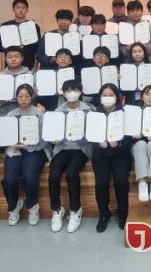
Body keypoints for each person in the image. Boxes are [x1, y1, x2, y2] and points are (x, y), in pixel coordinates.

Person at [50, 79, 95, 233]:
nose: (72, 93)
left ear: (80, 92)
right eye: (68, 90)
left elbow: (93, 133)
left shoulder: (88, 110)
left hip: (81, 149)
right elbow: (52, 133)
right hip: (62, 148)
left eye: (75, 90)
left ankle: (75, 210)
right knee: (54, 175)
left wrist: (82, 137)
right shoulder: (58, 111)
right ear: (63, 93)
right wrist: (54, 138)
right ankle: (57, 209)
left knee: (71, 173)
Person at [1, 84, 49, 227]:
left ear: (32, 96)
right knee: (9, 179)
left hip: (35, 150)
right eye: (20, 96)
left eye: (26, 96)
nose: (23, 99)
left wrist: (31, 144)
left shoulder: (39, 113)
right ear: (15, 97)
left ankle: (32, 207)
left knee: (29, 176)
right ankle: (13, 206)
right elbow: (5, 137)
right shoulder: (11, 114)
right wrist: (0, 135)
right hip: (15, 150)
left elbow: (45, 136)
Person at [91, 84, 132, 232]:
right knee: (101, 184)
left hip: (120, 154)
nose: (107, 98)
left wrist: (119, 143)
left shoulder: (124, 113)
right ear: (100, 97)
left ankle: (123, 213)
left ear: (117, 97)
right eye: (105, 95)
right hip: (101, 154)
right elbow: (91, 136)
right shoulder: (95, 114)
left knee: (121, 182)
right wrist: (98, 143)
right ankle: (104, 214)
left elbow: (129, 137)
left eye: (111, 95)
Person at [0, 0, 42, 72]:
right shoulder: (5, 26)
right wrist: (13, 46)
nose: (21, 10)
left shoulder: (34, 26)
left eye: (23, 8)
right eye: (18, 7)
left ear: (27, 10)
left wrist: (35, 66)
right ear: (13, 9)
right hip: (10, 66)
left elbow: (38, 48)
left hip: (29, 65)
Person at [0, 46, 31, 116]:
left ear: (22, 58)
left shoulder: (30, 75)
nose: (13, 59)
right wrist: (3, 99)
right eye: (10, 57)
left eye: (17, 56)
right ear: (5, 59)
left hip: (27, 115)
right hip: (5, 114)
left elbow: (37, 99)